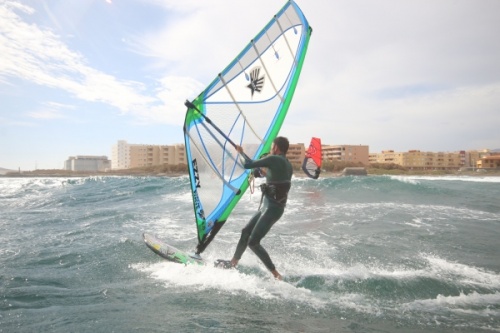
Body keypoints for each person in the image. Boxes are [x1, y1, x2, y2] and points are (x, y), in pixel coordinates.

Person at [227, 136, 293, 280]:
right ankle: (233, 263)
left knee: (253, 242)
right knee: (245, 232)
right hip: (269, 207)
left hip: (272, 208)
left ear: (276, 147)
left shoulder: (274, 159)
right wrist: (261, 172)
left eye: (272, 146)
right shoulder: (286, 164)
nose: (270, 148)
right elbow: (270, 175)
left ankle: (276, 275)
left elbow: (247, 164)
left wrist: (240, 152)